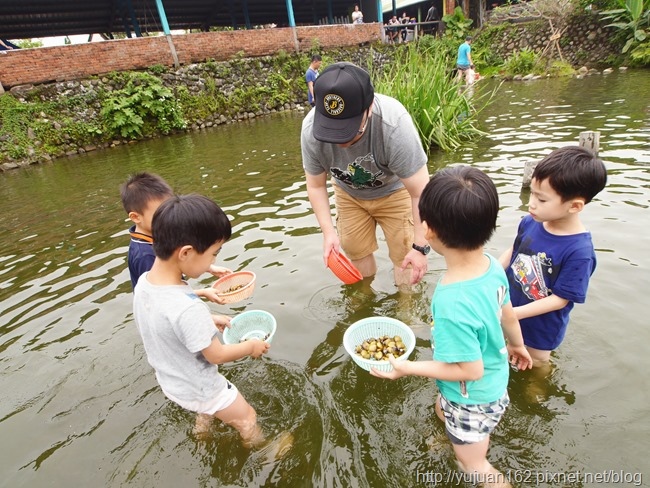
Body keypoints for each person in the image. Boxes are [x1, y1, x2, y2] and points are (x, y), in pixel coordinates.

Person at [371, 166, 533, 487]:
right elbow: (508, 315)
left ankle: (477, 460)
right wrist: (516, 345)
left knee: (474, 465)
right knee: (442, 409)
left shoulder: (451, 301)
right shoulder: (490, 265)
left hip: (473, 397)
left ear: (428, 230)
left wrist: (407, 368)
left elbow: (469, 370)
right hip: (494, 379)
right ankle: (453, 434)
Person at [133, 194, 270, 444]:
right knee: (247, 418)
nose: (214, 261)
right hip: (202, 385)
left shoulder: (144, 284)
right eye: (213, 253)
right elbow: (216, 355)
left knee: (205, 408)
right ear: (185, 253)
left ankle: (203, 434)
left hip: (173, 381)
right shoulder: (188, 310)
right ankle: (268, 455)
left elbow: (165, 317)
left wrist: (205, 321)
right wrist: (251, 346)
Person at [300, 62, 430, 287]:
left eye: (350, 132)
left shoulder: (394, 125)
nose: (341, 142)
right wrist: (328, 232)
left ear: (369, 109)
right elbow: (316, 185)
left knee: (405, 257)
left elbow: (421, 192)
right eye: (331, 131)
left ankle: (407, 311)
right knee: (355, 252)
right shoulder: (309, 130)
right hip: (348, 193)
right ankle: (364, 303)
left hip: (395, 191)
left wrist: (420, 246)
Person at [499, 146, 607, 367]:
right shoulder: (530, 221)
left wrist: (511, 314)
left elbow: (560, 299)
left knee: (537, 362)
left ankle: (537, 391)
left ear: (575, 206)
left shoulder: (580, 251)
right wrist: (490, 275)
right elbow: (514, 251)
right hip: (510, 308)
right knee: (505, 349)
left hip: (541, 325)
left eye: (542, 199)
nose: (531, 203)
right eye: (532, 193)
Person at [120, 172, 231, 300]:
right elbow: (161, 298)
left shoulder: (154, 236)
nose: (168, 215)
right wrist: (203, 295)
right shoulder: (145, 256)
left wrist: (209, 268)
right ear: (136, 217)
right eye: (160, 212)